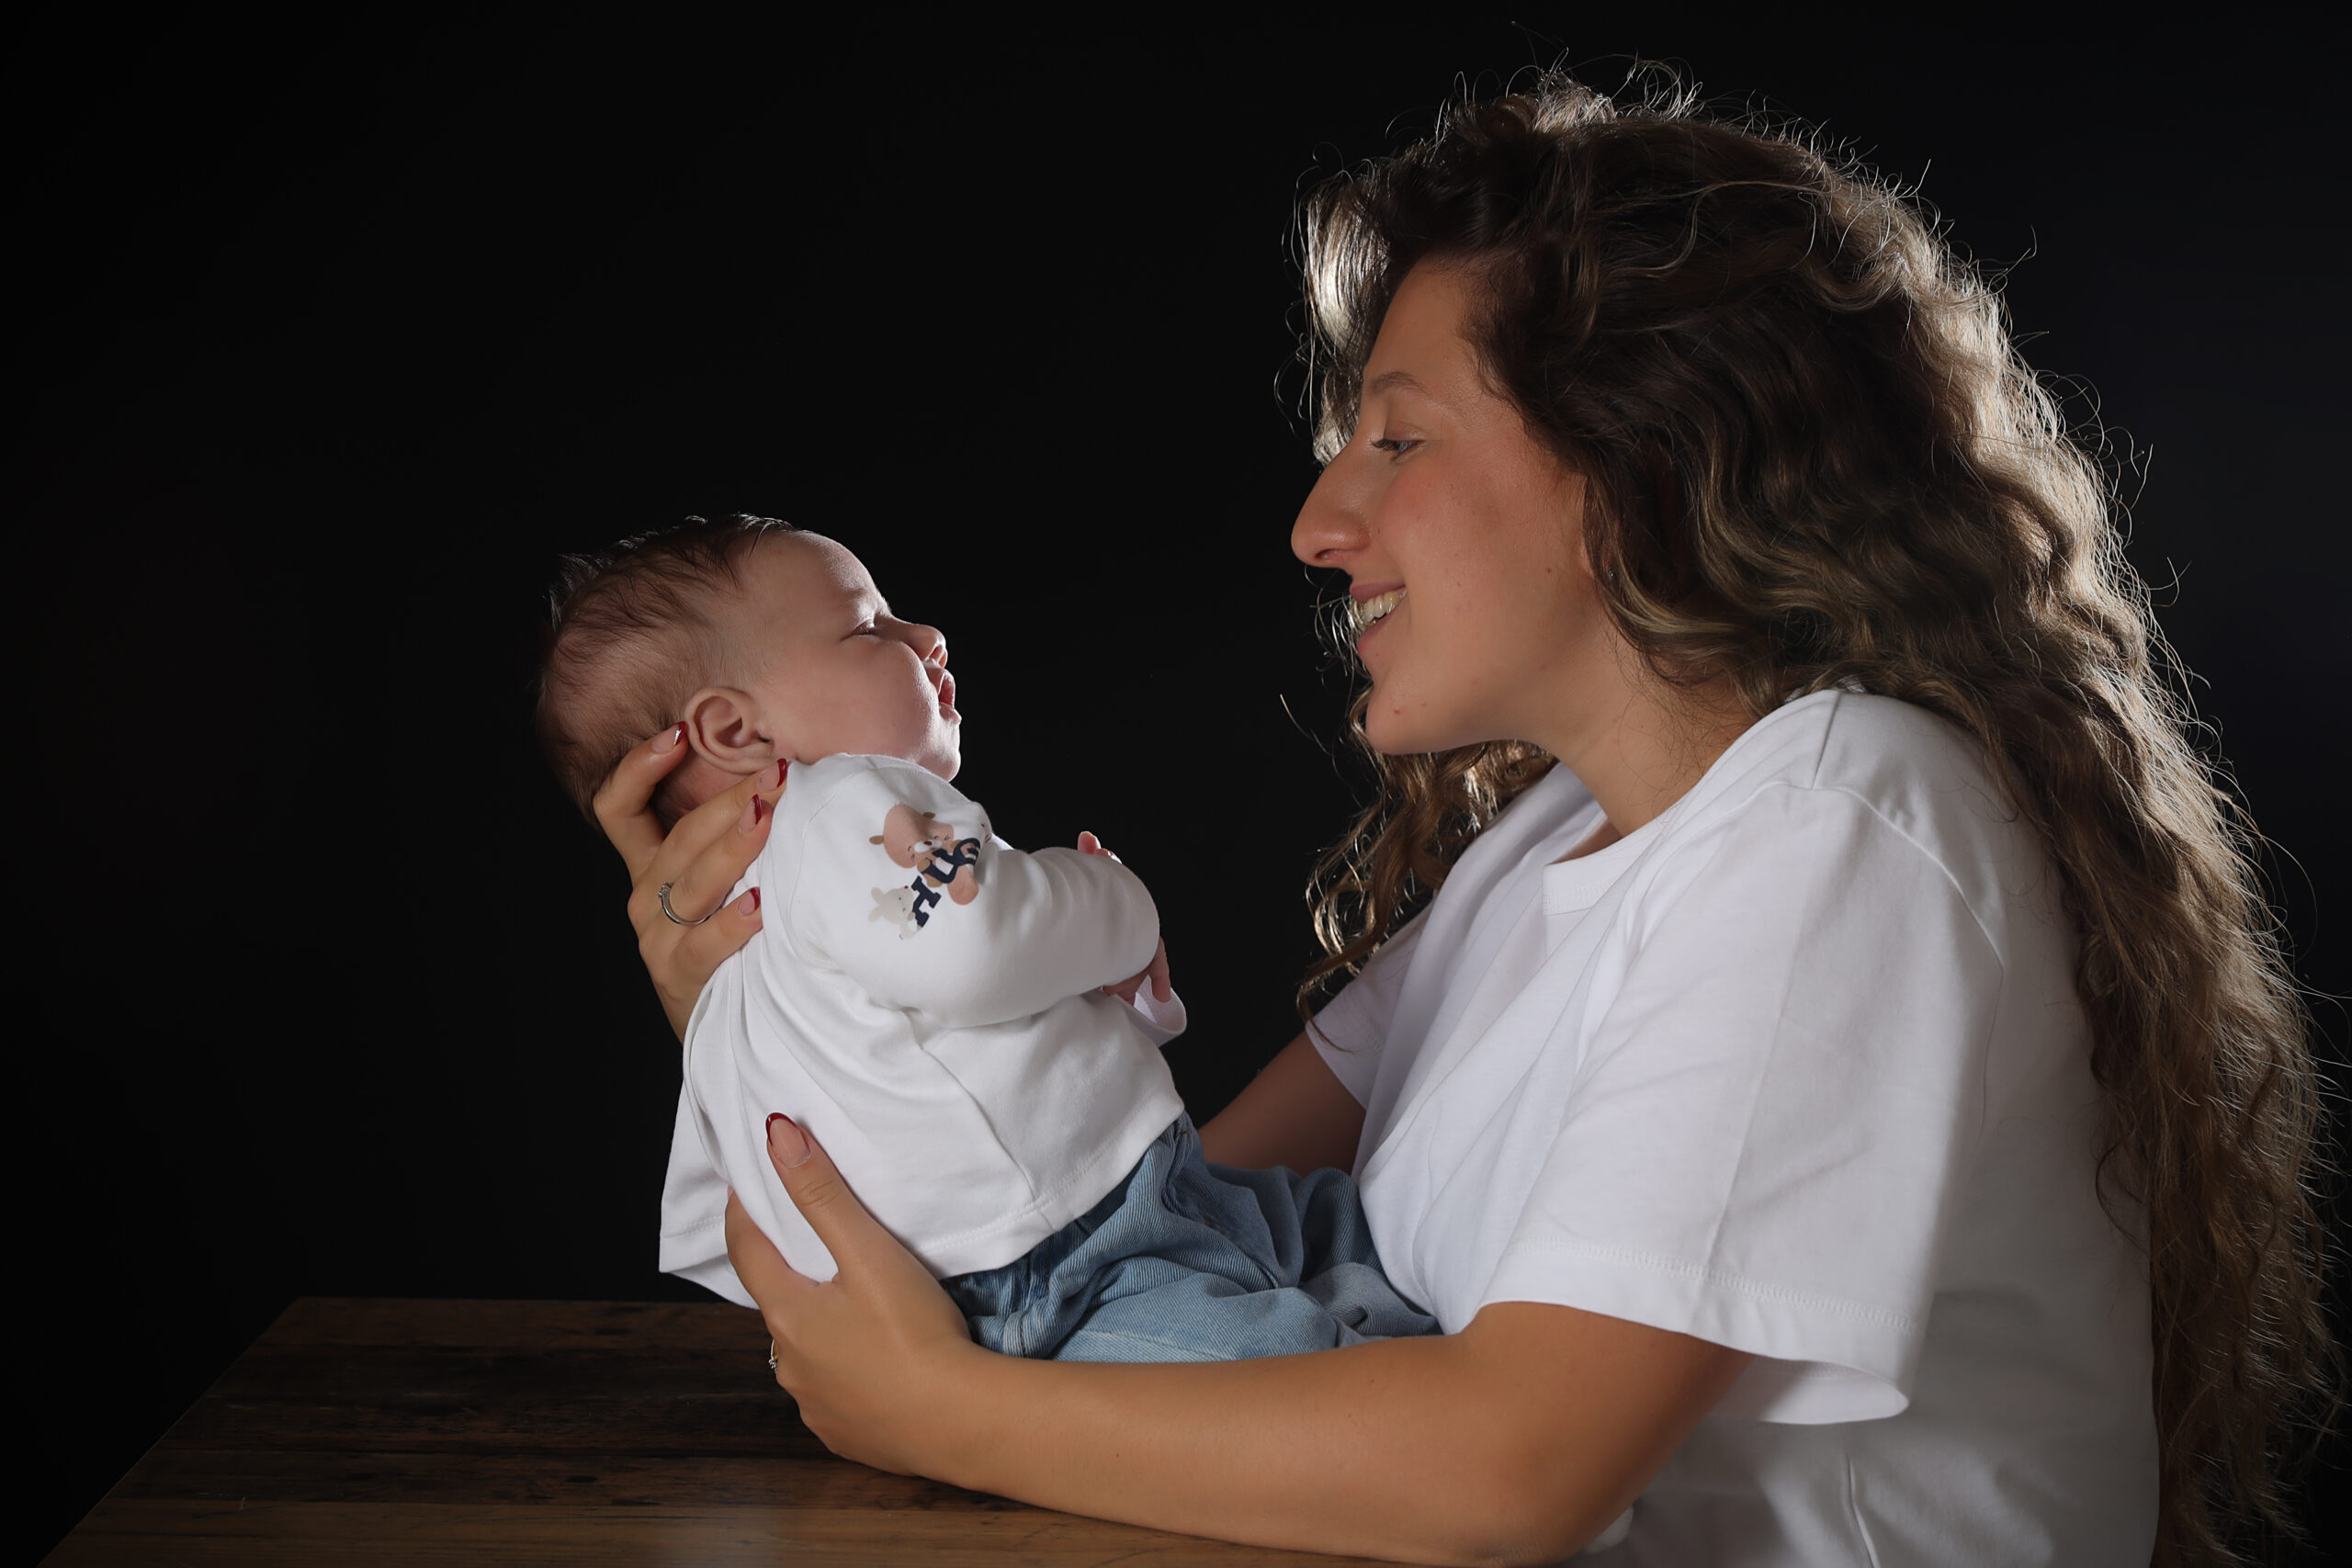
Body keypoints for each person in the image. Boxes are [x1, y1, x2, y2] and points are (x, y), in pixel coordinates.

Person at [585, 73, 2326, 1566]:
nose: (1319, 521)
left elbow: (1512, 1472)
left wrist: (943, 1414)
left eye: (1394, 439)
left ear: (1641, 461)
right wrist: (758, 993)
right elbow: (1109, 1234)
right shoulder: (1542, 854)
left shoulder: (1845, 819)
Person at [537, 519, 1439, 1362]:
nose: (925, 634)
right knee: (1273, 1343)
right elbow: (978, 954)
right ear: (737, 731)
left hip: (1052, 1244)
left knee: (1308, 1246)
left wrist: (1098, 993)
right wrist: (1113, 903)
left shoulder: (747, 951)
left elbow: (744, 1201)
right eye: (865, 628)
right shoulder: (836, 803)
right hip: (1058, 1265)